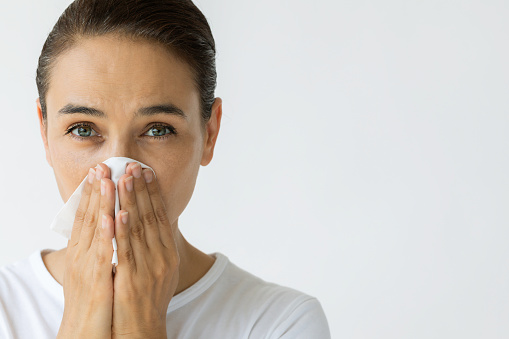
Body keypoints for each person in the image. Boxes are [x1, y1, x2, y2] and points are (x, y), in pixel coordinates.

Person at [0, 0, 331, 338]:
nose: (118, 169)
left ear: (209, 134)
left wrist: (140, 326)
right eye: (83, 129)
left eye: (158, 129)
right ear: (45, 133)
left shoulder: (280, 322)